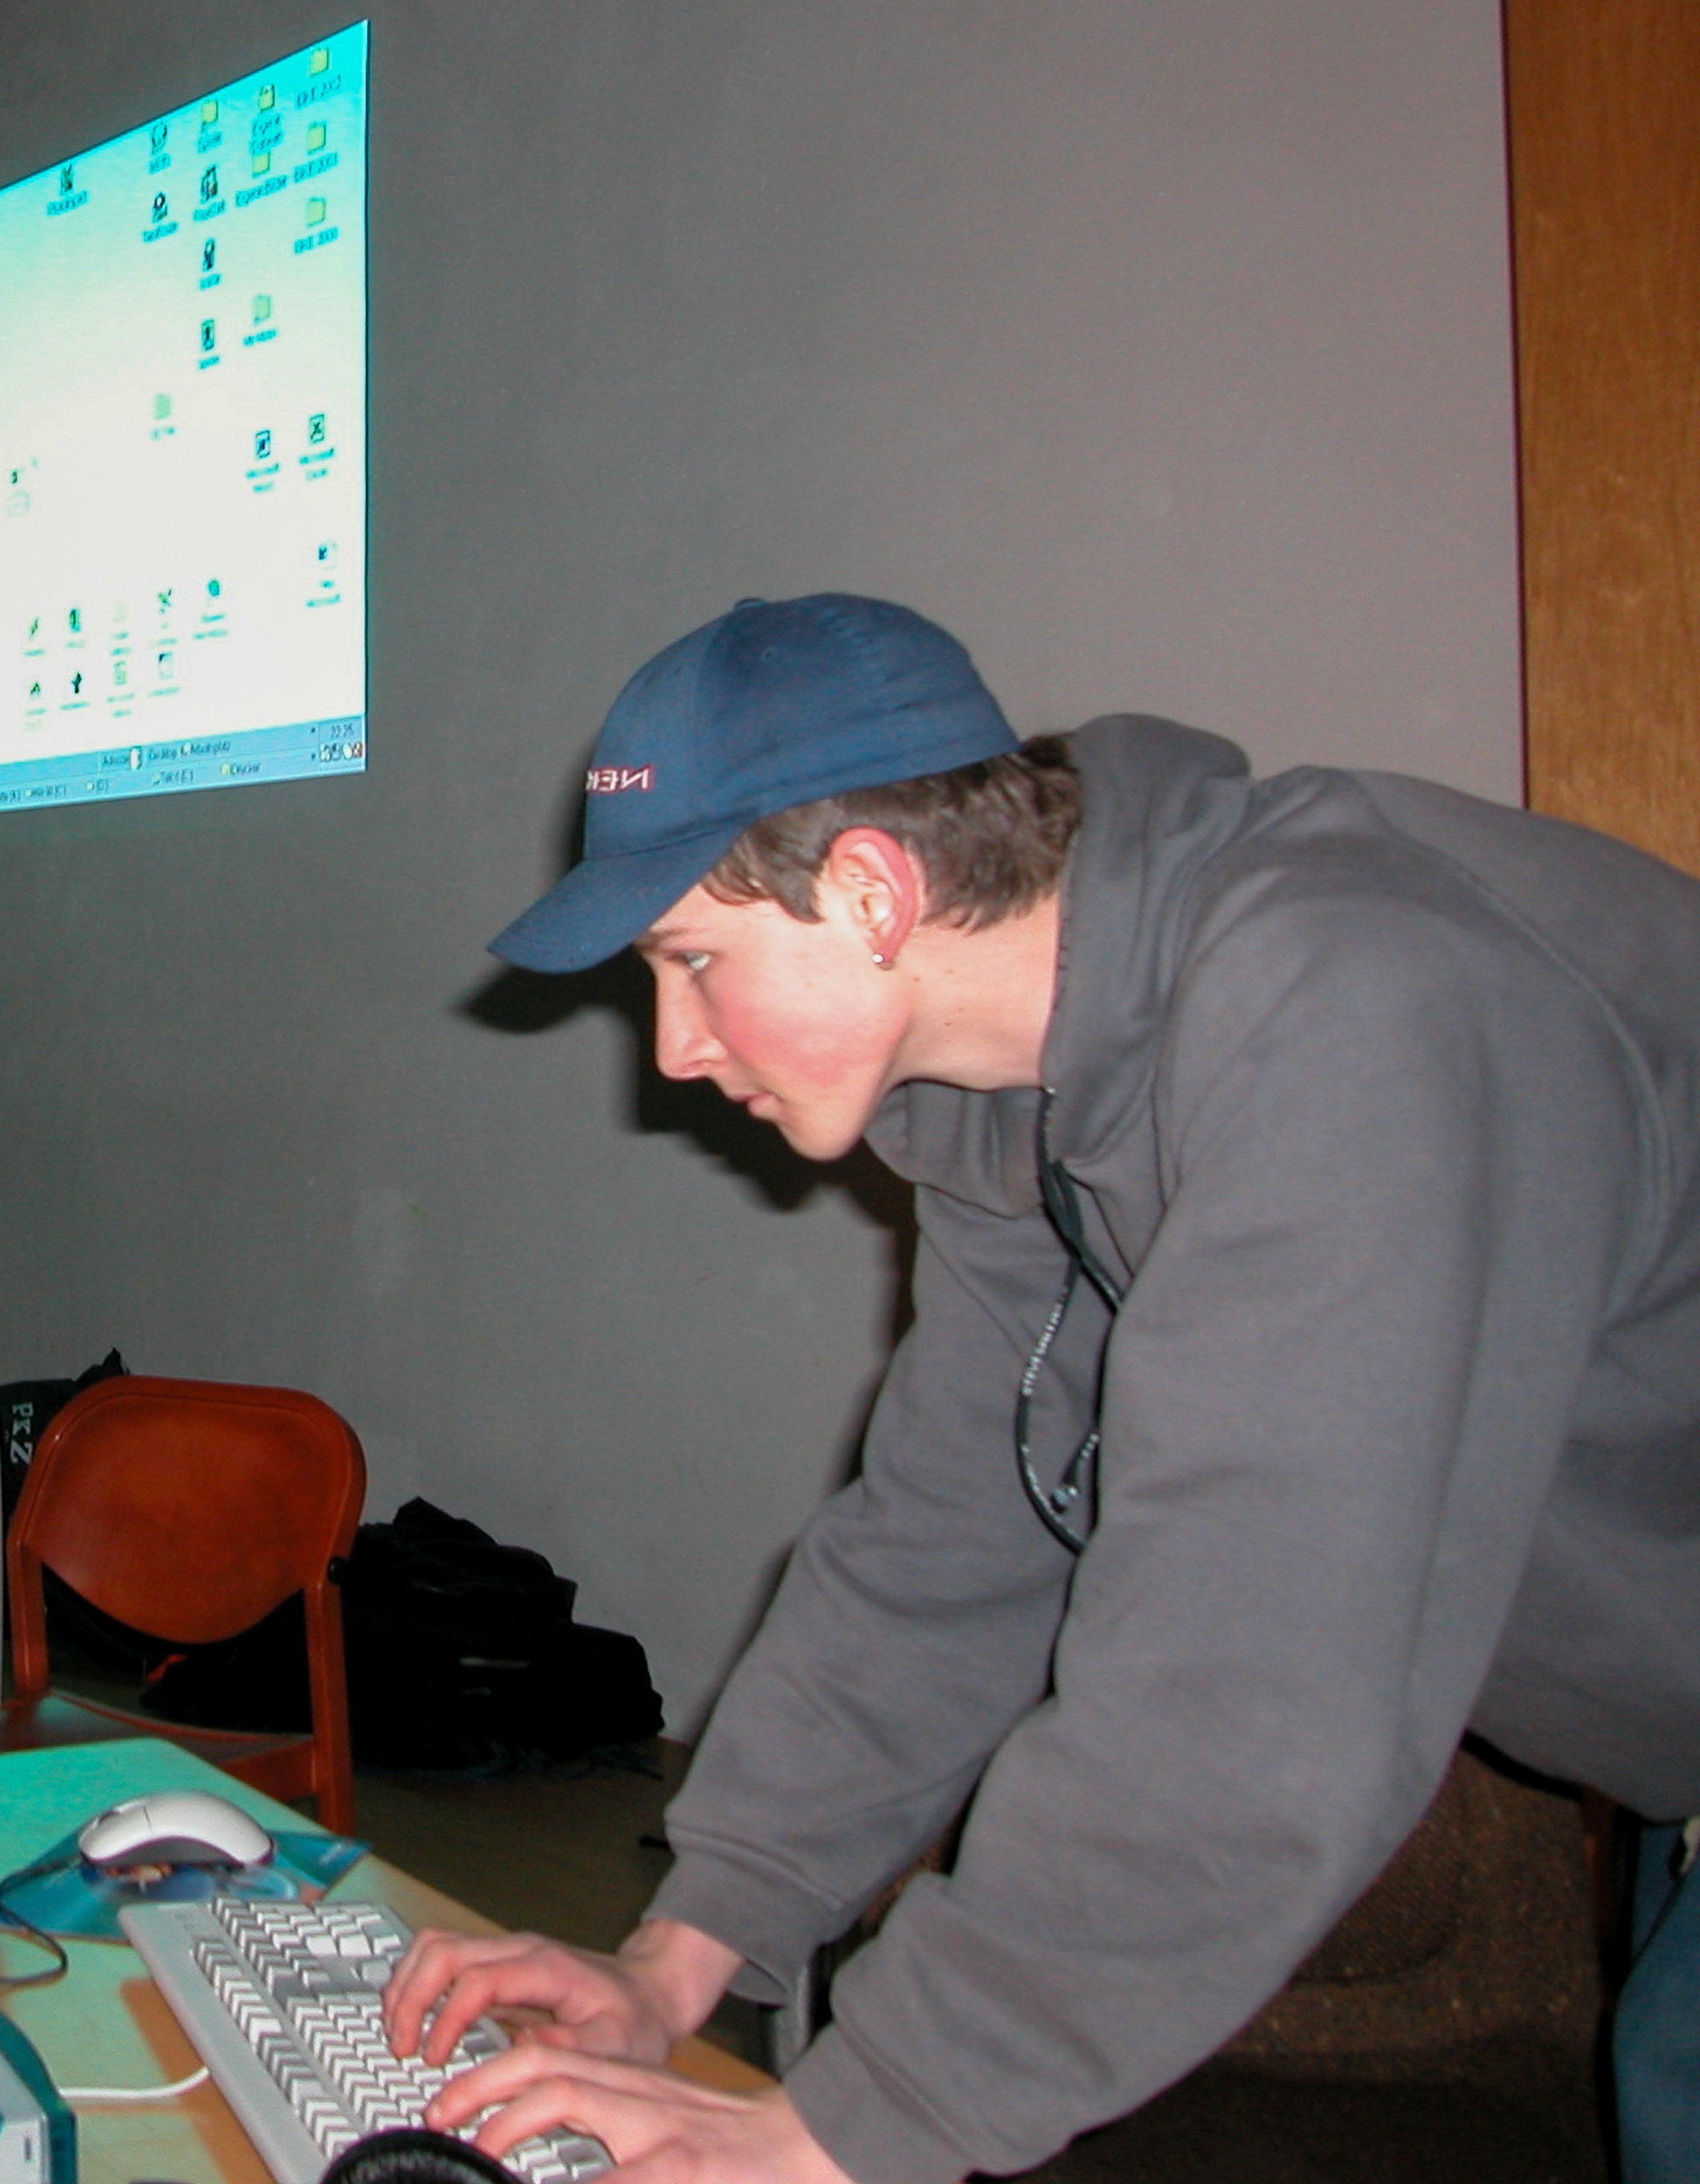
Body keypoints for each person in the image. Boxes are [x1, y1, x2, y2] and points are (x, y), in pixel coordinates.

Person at [382, 596, 1700, 2184]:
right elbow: (951, 1547)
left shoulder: (1352, 1005)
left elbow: (1245, 1693)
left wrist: (840, 2133)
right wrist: (679, 1961)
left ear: (873, 893)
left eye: (694, 961)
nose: (673, 1048)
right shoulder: (1034, 1116)